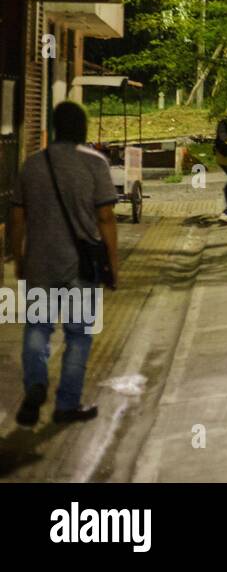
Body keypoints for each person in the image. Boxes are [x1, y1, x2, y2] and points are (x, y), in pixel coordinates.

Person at [5, 101, 119, 426]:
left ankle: (36, 384)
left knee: (38, 328)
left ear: (54, 128)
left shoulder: (33, 164)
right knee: (78, 335)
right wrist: (113, 265)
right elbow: (106, 217)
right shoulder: (96, 164)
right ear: (82, 128)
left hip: (40, 262)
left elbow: (16, 217)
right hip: (81, 267)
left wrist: (19, 258)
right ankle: (66, 405)